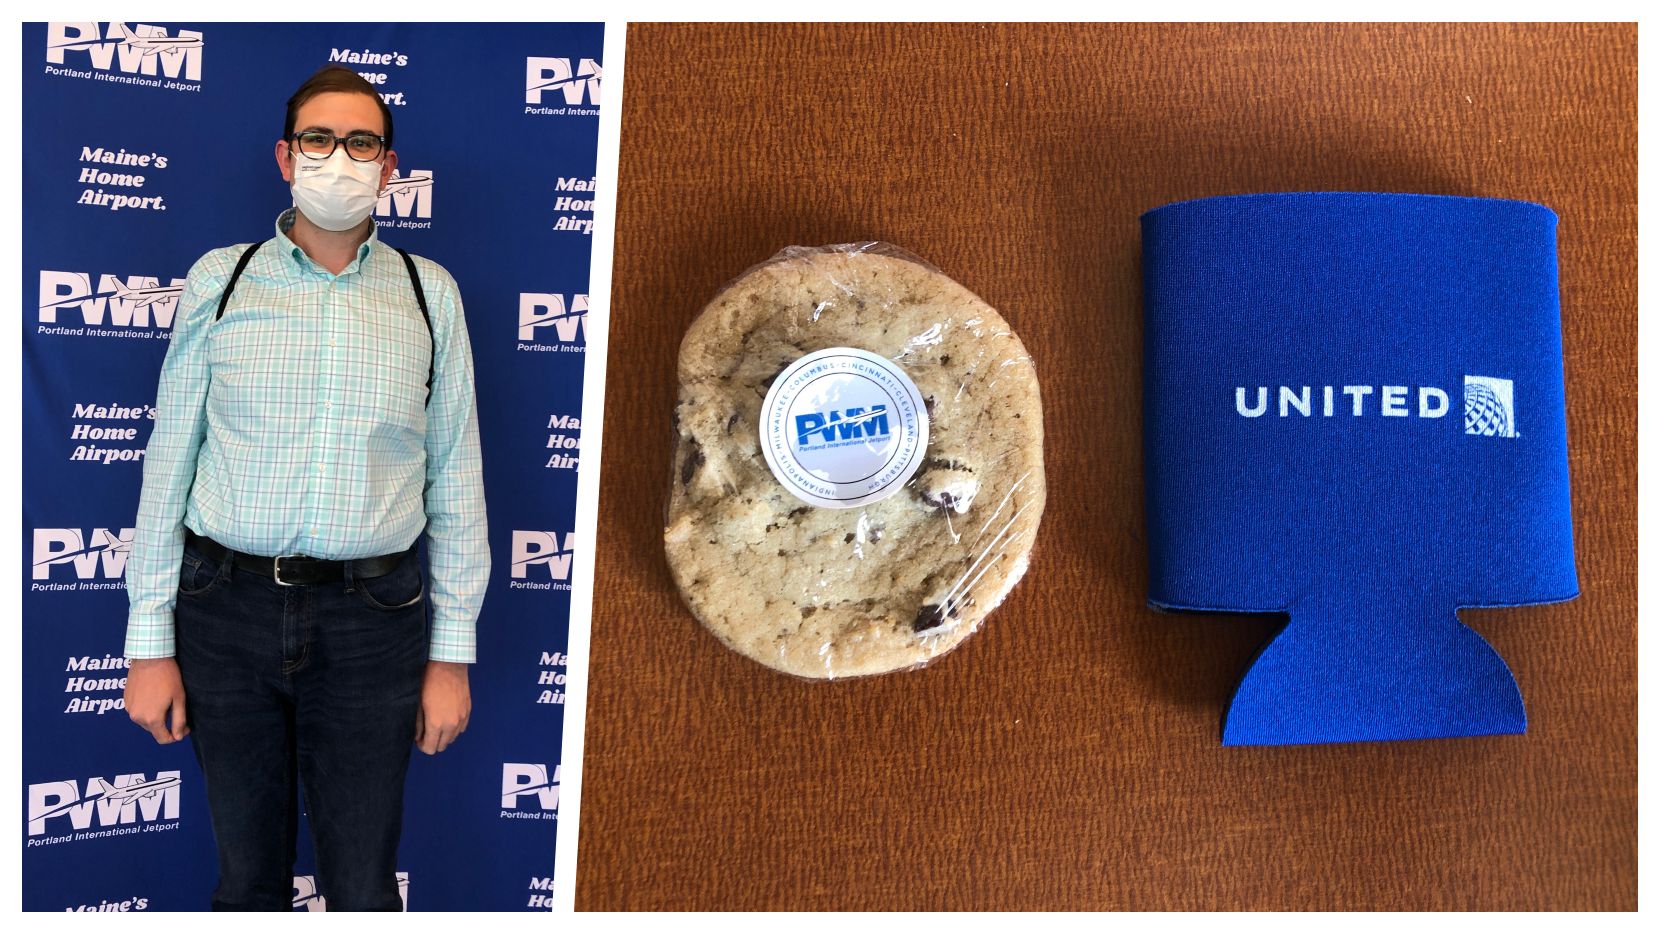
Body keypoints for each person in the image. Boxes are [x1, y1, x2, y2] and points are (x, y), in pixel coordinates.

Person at [121, 64, 489, 912]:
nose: (340, 158)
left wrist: (452, 655)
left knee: (361, 884)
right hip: (224, 612)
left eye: (362, 143)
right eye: (320, 140)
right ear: (286, 157)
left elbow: (456, 478)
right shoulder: (223, 279)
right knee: (247, 880)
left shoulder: (430, 296)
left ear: (389, 168)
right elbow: (168, 460)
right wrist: (149, 640)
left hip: (375, 621)